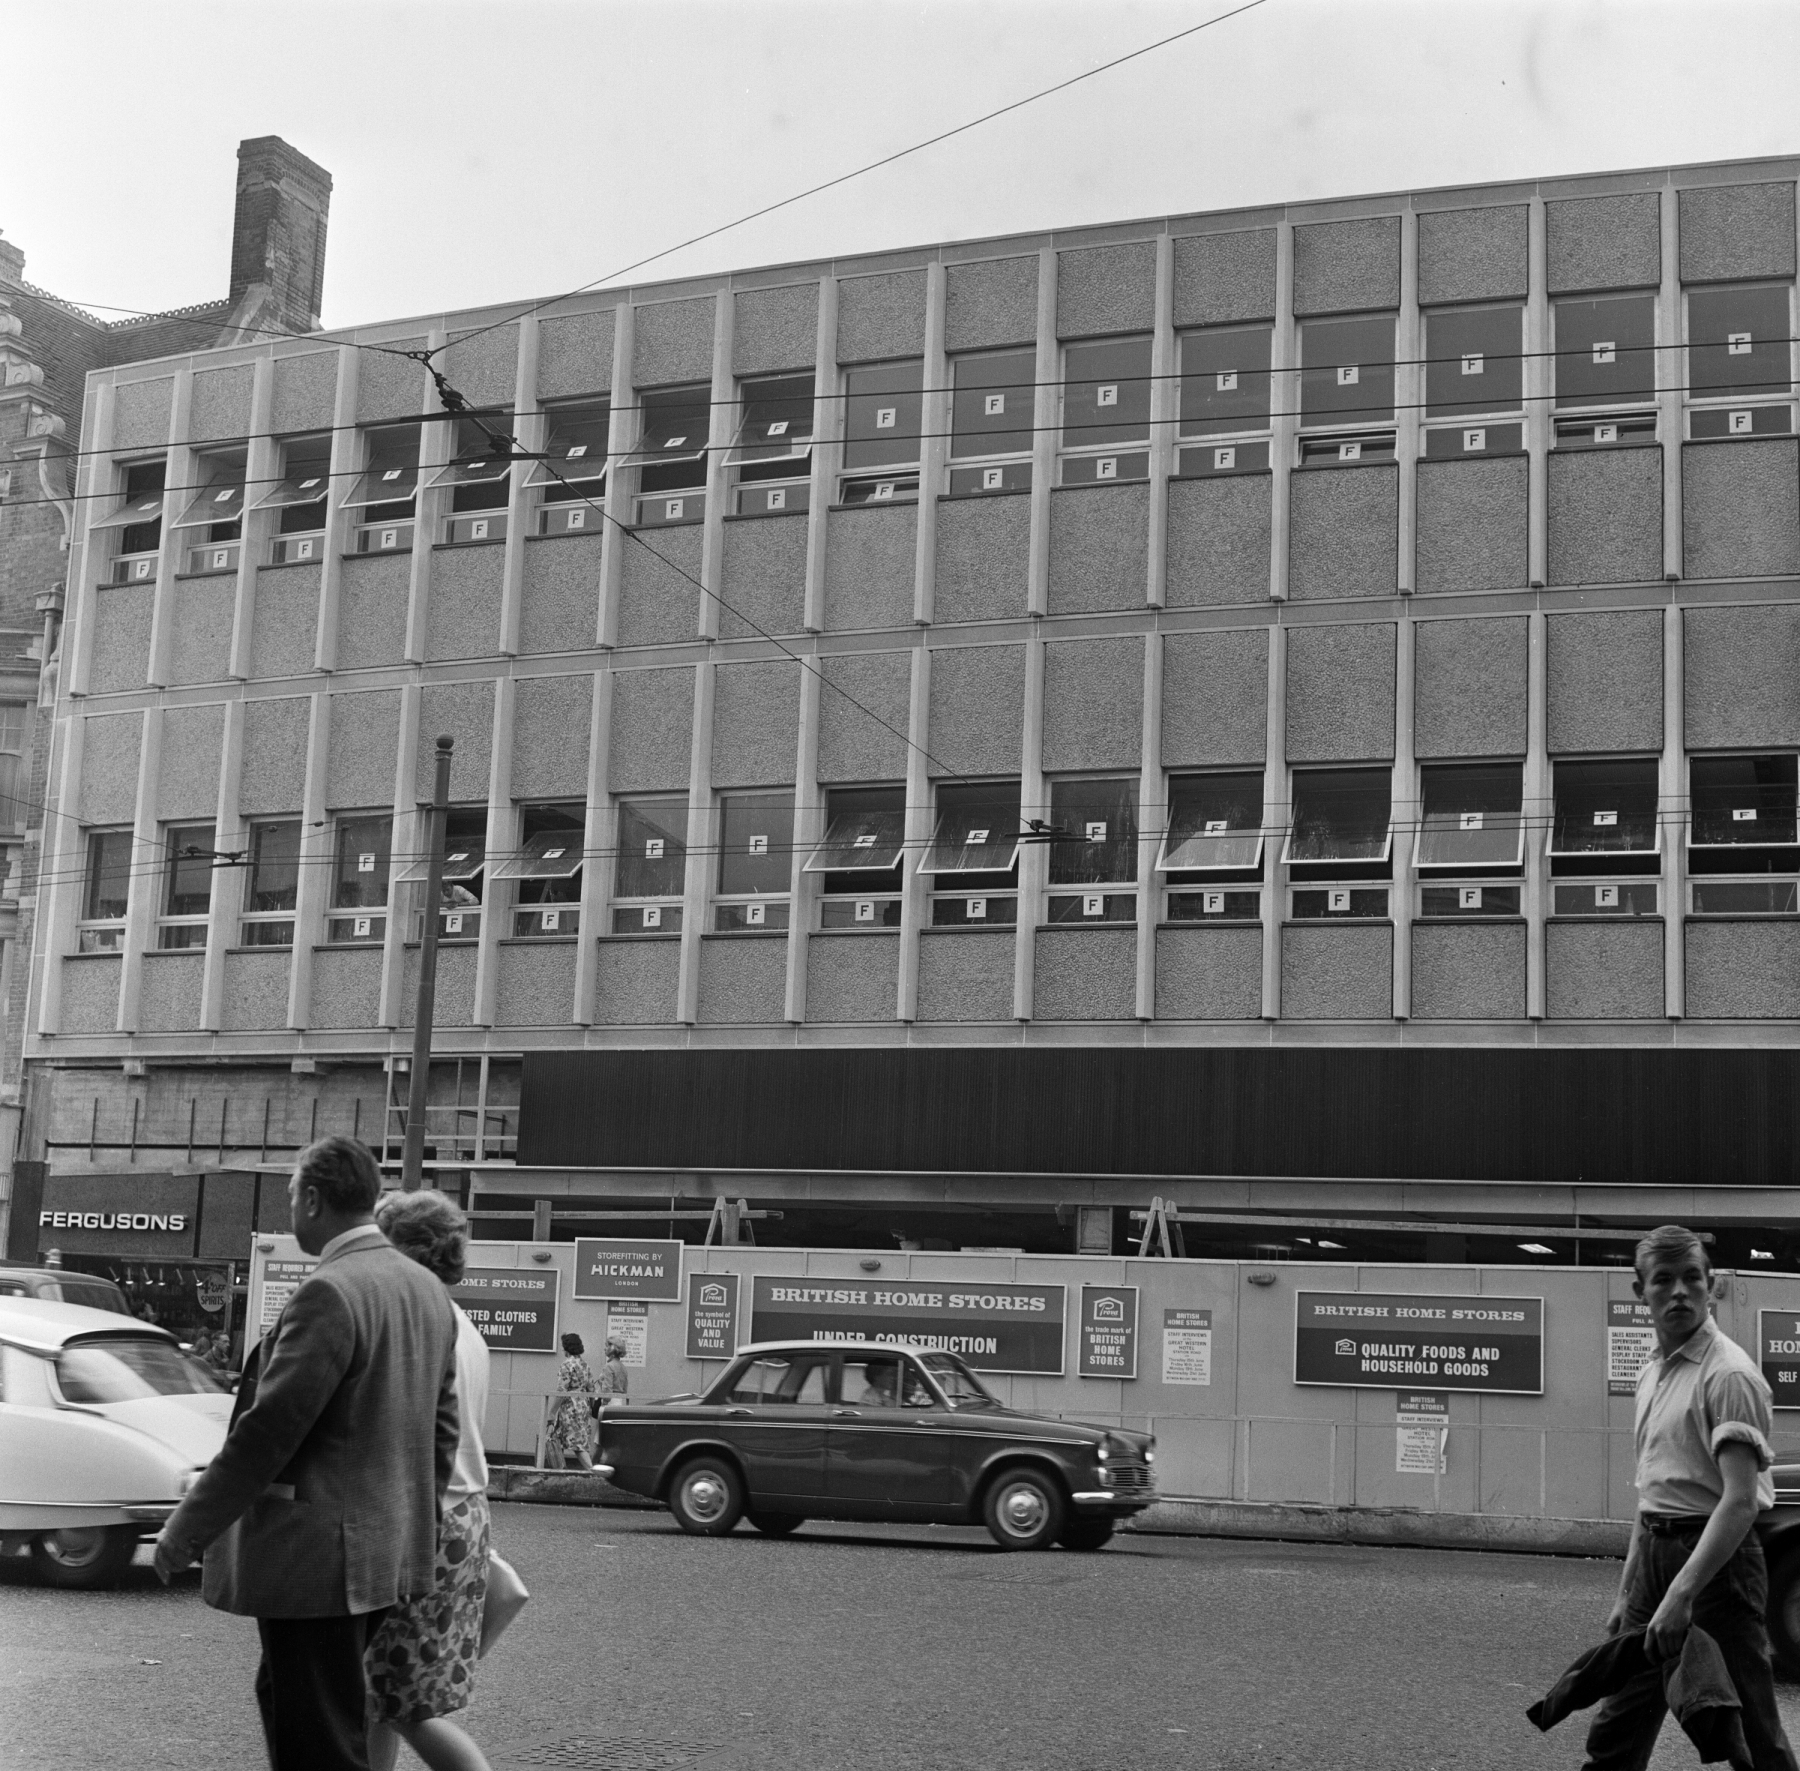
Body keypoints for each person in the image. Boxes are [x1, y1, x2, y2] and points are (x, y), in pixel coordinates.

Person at [154, 1138, 460, 1771]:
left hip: (319, 1561)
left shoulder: (331, 1292)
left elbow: (269, 1431)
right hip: (380, 1554)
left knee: (317, 1737)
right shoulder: (425, 1290)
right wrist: (414, 1536)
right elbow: (442, 1432)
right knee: (305, 1706)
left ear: (313, 1199)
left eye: (293, 1195)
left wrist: (187, 1529)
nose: (292, 1207)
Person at [1580, 1223, 1799, 1771]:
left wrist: (1679, 1597)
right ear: (1641, 1292)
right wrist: (1628, 1594)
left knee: (1751, 1732)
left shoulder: (1728, 1375)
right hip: (1658, 1561)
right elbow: (1651, 1493)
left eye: (1692, 1278)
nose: (1679, 1291)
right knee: (1617, 1727)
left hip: (1717, 1569)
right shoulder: (1653, 1373)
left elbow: (1741, 1501)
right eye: (1664, 1280)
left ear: (1712, 1285)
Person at [364, 1189, 494, 1771]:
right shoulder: (465, 1325)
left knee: (408, 1702)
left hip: (424, 1518)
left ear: (406, 1251)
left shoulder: (417, 1321)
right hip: (467, 1517)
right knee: (383, 1693)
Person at [546, 1332, 597, 1469]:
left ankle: (592, 1472)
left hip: (570, 1406)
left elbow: (561, 1391)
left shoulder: (566, 1365)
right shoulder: (585, 1365)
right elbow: (591, 1388)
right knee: (577, 1440)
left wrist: (552, 1413)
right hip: (583, 1405)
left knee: (575, 1443)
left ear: (567, 1348)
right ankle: (561, 1471)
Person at [597, 1337, 629, 1401]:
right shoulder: (623, 1367)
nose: (604, 1349)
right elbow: (625, 1389)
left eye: (606, 1346)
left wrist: (605, 1402)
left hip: (610, 1402)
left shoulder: (608, 1366)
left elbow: (607, 1390)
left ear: (612, 1348)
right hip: (621, 1401)